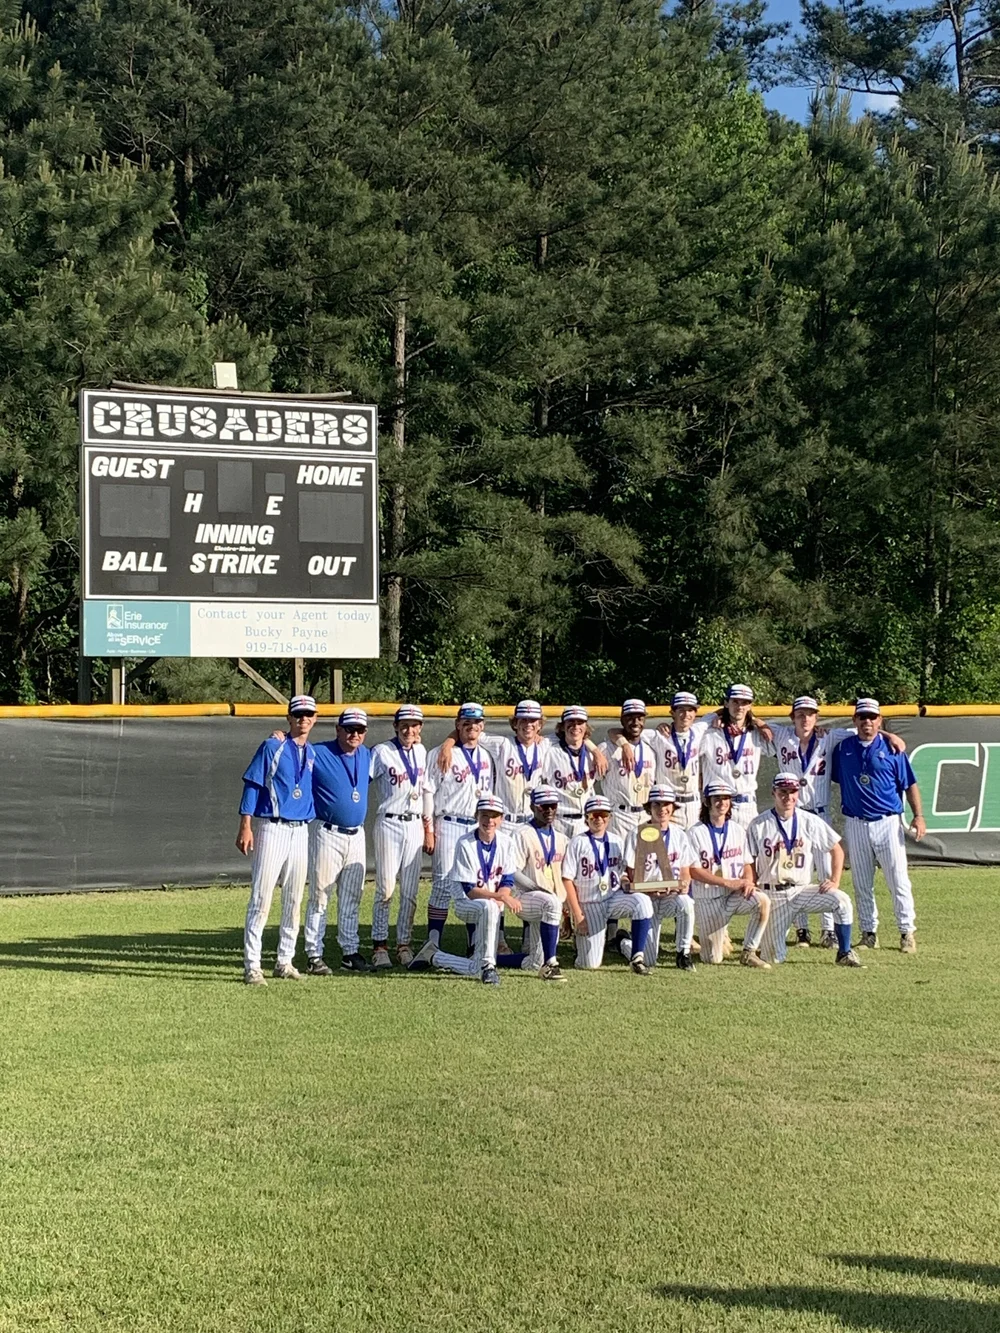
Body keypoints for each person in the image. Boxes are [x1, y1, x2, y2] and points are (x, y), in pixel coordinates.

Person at [770, 696, 906, 948]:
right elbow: (753, 723)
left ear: (817, 717)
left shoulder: (829, 737)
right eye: (800, 714)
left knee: (825, 872)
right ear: (792, 717)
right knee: (794, 873)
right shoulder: (781, 735)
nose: (805, 718)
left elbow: (864, 731)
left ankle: (828, 930)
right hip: (793, 815)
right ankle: (802, 930)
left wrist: (889, 736)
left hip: (820, 813)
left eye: (810, 714)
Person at [831, 697, 925, 953]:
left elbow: (909, 784)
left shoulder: (893, 749)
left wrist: (918, 815)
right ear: (855, 720)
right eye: (862, 717)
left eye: (872, 717)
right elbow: (837, 775)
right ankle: (868, 933)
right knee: (862, 882)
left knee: (898, 880)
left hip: (887, 821)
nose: (867, 721)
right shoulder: (843, 747)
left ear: (880, 720)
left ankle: (907, 932)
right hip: (856, 822)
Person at [236, 694, 318, 985]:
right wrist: (245, 824)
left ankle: (285, 960)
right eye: (298, 714)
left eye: (308, 714)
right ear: (288, 717)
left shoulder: (312, 752)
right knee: (262, 897)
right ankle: (252, 965)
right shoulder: (273, 746)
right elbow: (253, 783)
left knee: (294, 898)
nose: (303, 719)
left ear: (315, 719)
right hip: (273, 826)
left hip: (301, 830)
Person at [407, 796, 529, 986]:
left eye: (494, 816)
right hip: (465, 904)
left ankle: (434, 956)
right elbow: (470, 891)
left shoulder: (506, 842)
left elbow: (507, 879)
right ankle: (489, 966)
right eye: (485, 815)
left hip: (492, 903)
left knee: (474, 966)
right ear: (476, 816)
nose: (489, 821)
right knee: (489, 907)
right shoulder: (465, 843)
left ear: (501, 819)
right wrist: (501, 897)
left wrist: (501, 896)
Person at [747, 773, 862, 967]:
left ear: (798, 793)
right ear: (774, 792)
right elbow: (750, 859)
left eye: (792, 792)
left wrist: (835, 880)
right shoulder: (759, 824)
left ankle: (844, 953)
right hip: (773, 893)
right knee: (773, 958)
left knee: (842, 901)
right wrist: (752, 883)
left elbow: (836, 849)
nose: (788, 797)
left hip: (801, 890)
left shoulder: (809, 820)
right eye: (783, 792)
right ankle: (767, 944)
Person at [421, 702, 495, 952]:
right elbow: (428, 791)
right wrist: (429, 829)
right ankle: (433, 941)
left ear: (482, 726)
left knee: (474, 884)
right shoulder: (441, 753)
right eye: (466, 722)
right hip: (449, 822)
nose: (471, 727)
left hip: (476, 825)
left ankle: (474, 942)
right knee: (442, 884)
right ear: (457, 724)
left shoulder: (486, 755)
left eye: (476, 722)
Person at [304, 707, 372, 975]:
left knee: (352, 896)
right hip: (327, 831)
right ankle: (314, 954)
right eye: (349, 729)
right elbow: (294, 751)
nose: (355, 734)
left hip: (357, 834)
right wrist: (281, 736)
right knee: (320, 895)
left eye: (360, 729)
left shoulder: (366, 754)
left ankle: (349, 952)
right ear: (338, 729)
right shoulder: (318, 752)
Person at [561, 795, 654, 973]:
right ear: (586, 817)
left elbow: (622, 873)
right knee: (589, 964)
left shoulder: (616, 840)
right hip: (590, 903)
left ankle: (636, 957)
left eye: (603, 815)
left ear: (610, 817)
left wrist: (626, 883)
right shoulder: (577, 842)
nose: (599, 819)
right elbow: (567, 880)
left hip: (612, 897)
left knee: (643, 902)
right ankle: (621, 944)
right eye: (594, 815)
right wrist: (578, 916)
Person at [686, 781, 772, 968]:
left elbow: (747, 863)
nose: (722, 802)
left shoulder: (737, 829)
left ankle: (749, 952)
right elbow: (693, 871)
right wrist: (726, 882)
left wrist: (748, 881)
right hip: (708, 899)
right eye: (717, 798)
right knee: (712, 958)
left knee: (762, 900)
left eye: (726, 798)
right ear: (707, 802)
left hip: (733, 895)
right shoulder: (695, 832)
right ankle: (708, 941)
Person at [369, 704, 428, 969]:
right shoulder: (382, 751)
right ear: (395, 726)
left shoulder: (421, 751)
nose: (409, 730)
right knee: (385, 888)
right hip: (389, 821)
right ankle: (380, 946)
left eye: (414, 725)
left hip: (414, 823)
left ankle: (404, 944)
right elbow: (362, 778)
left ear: (420, 728)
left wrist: (428, 827)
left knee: (411, 891)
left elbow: (425, 791)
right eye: (404, 725)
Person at [616, 784, 697, 971]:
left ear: (673, 807)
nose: (662, 809)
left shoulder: (680, 835)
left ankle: (683, 953)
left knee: (686, 902)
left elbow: (685, 871)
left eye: (666, 804)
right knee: (649, 959)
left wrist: (684, 883)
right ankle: (623, 942)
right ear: (649, 808)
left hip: (669, 897)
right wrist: (650, 889)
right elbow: (631, 875)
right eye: (657, 804)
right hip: (647, 899)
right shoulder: (636, 834)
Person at [698, 684, 773, 827]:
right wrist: (716, 714)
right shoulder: (711, 732)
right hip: (718, 804)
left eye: (744, 703)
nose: (740, 707)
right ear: (726, 703)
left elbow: (791, 737)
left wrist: (758, 722)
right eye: (735, 702)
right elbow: (689, 734)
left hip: (747, 805)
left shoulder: (756, 733)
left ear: (750, 706)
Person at [540, 707, 604, 838]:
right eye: (570, 723)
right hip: (559, 821)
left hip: (585, 822)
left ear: (586, 726)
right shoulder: (550, 752)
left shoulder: (593, 755)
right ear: (562, 726)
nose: (575, 727)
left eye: (580, 723)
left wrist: (596, 751)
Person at [599, 698, 655, 843]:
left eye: (640, 718)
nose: (635, 722)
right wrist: (623, 745)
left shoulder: (651, 747)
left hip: (646, 815)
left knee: (646, 856)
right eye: (630, 718)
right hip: (619, 815)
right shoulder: (606, 748)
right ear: (622, 720)